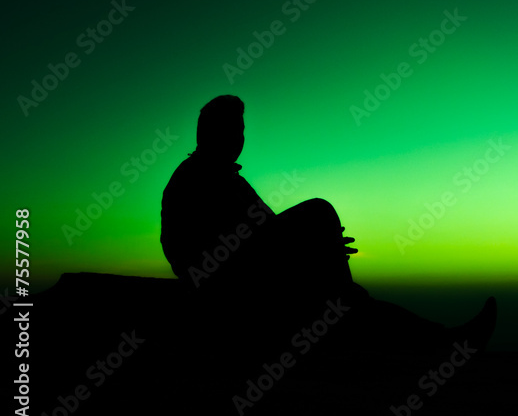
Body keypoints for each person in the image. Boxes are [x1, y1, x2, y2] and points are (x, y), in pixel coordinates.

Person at [160, 95, 496, 366]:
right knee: (320, 215)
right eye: (231, 129)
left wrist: (319, 247)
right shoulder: (193, 180)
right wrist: (314, 246)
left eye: (241, 130)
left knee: (346, 292)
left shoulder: (231, 181)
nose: (238, 138)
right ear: (208, 134)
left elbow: (267, 234)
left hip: (257, 281)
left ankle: (444, 339)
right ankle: (444, 342)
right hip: (233, 294)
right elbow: (195, 251)